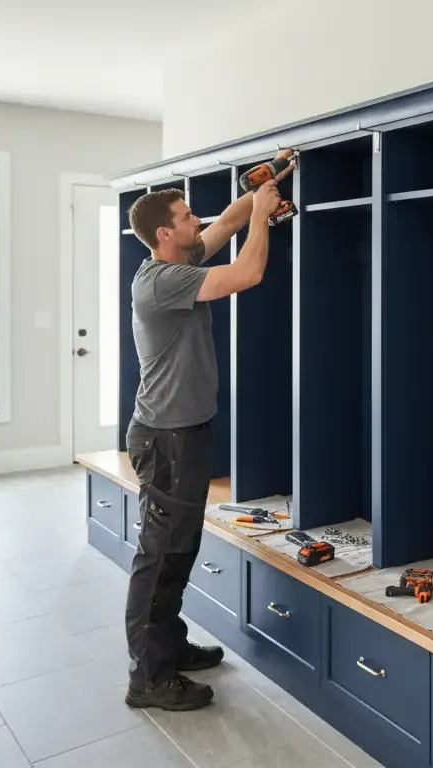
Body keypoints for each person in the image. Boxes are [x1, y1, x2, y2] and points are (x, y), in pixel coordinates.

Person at [120, 150, 294, 711]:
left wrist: (268, 181)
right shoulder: (163, 282)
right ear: (165, 234)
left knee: (179, 547)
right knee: (161, 553)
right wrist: (265, 215)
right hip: (167, 438)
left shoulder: (181, 258)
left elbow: (228, 221)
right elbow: (249, 273)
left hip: (180, 432)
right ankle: (148, 677)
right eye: (188, 216)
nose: (199, 221)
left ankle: (168, 649)